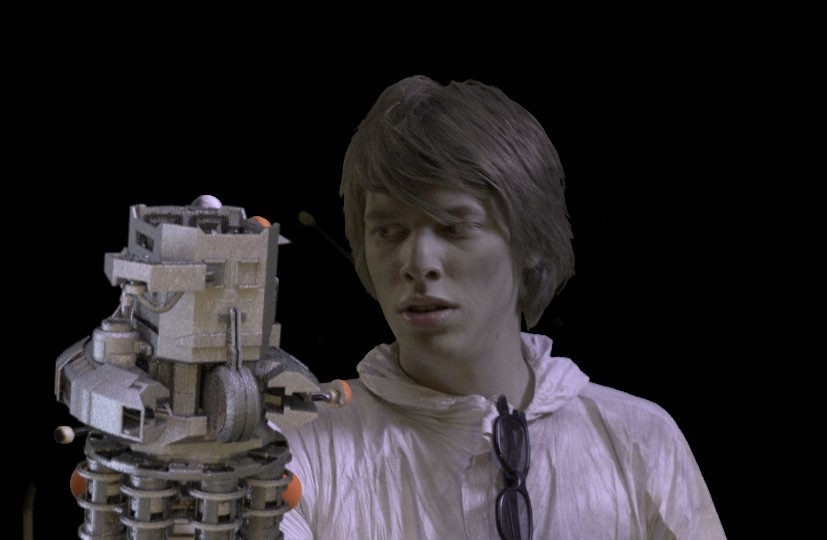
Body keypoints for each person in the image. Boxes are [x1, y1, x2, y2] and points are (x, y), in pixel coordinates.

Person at [278, 75, 726, 539]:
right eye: (388, 231)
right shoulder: (294, 445)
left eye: (453, 227)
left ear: (529, 241)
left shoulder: (639, 440)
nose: (417, 263)